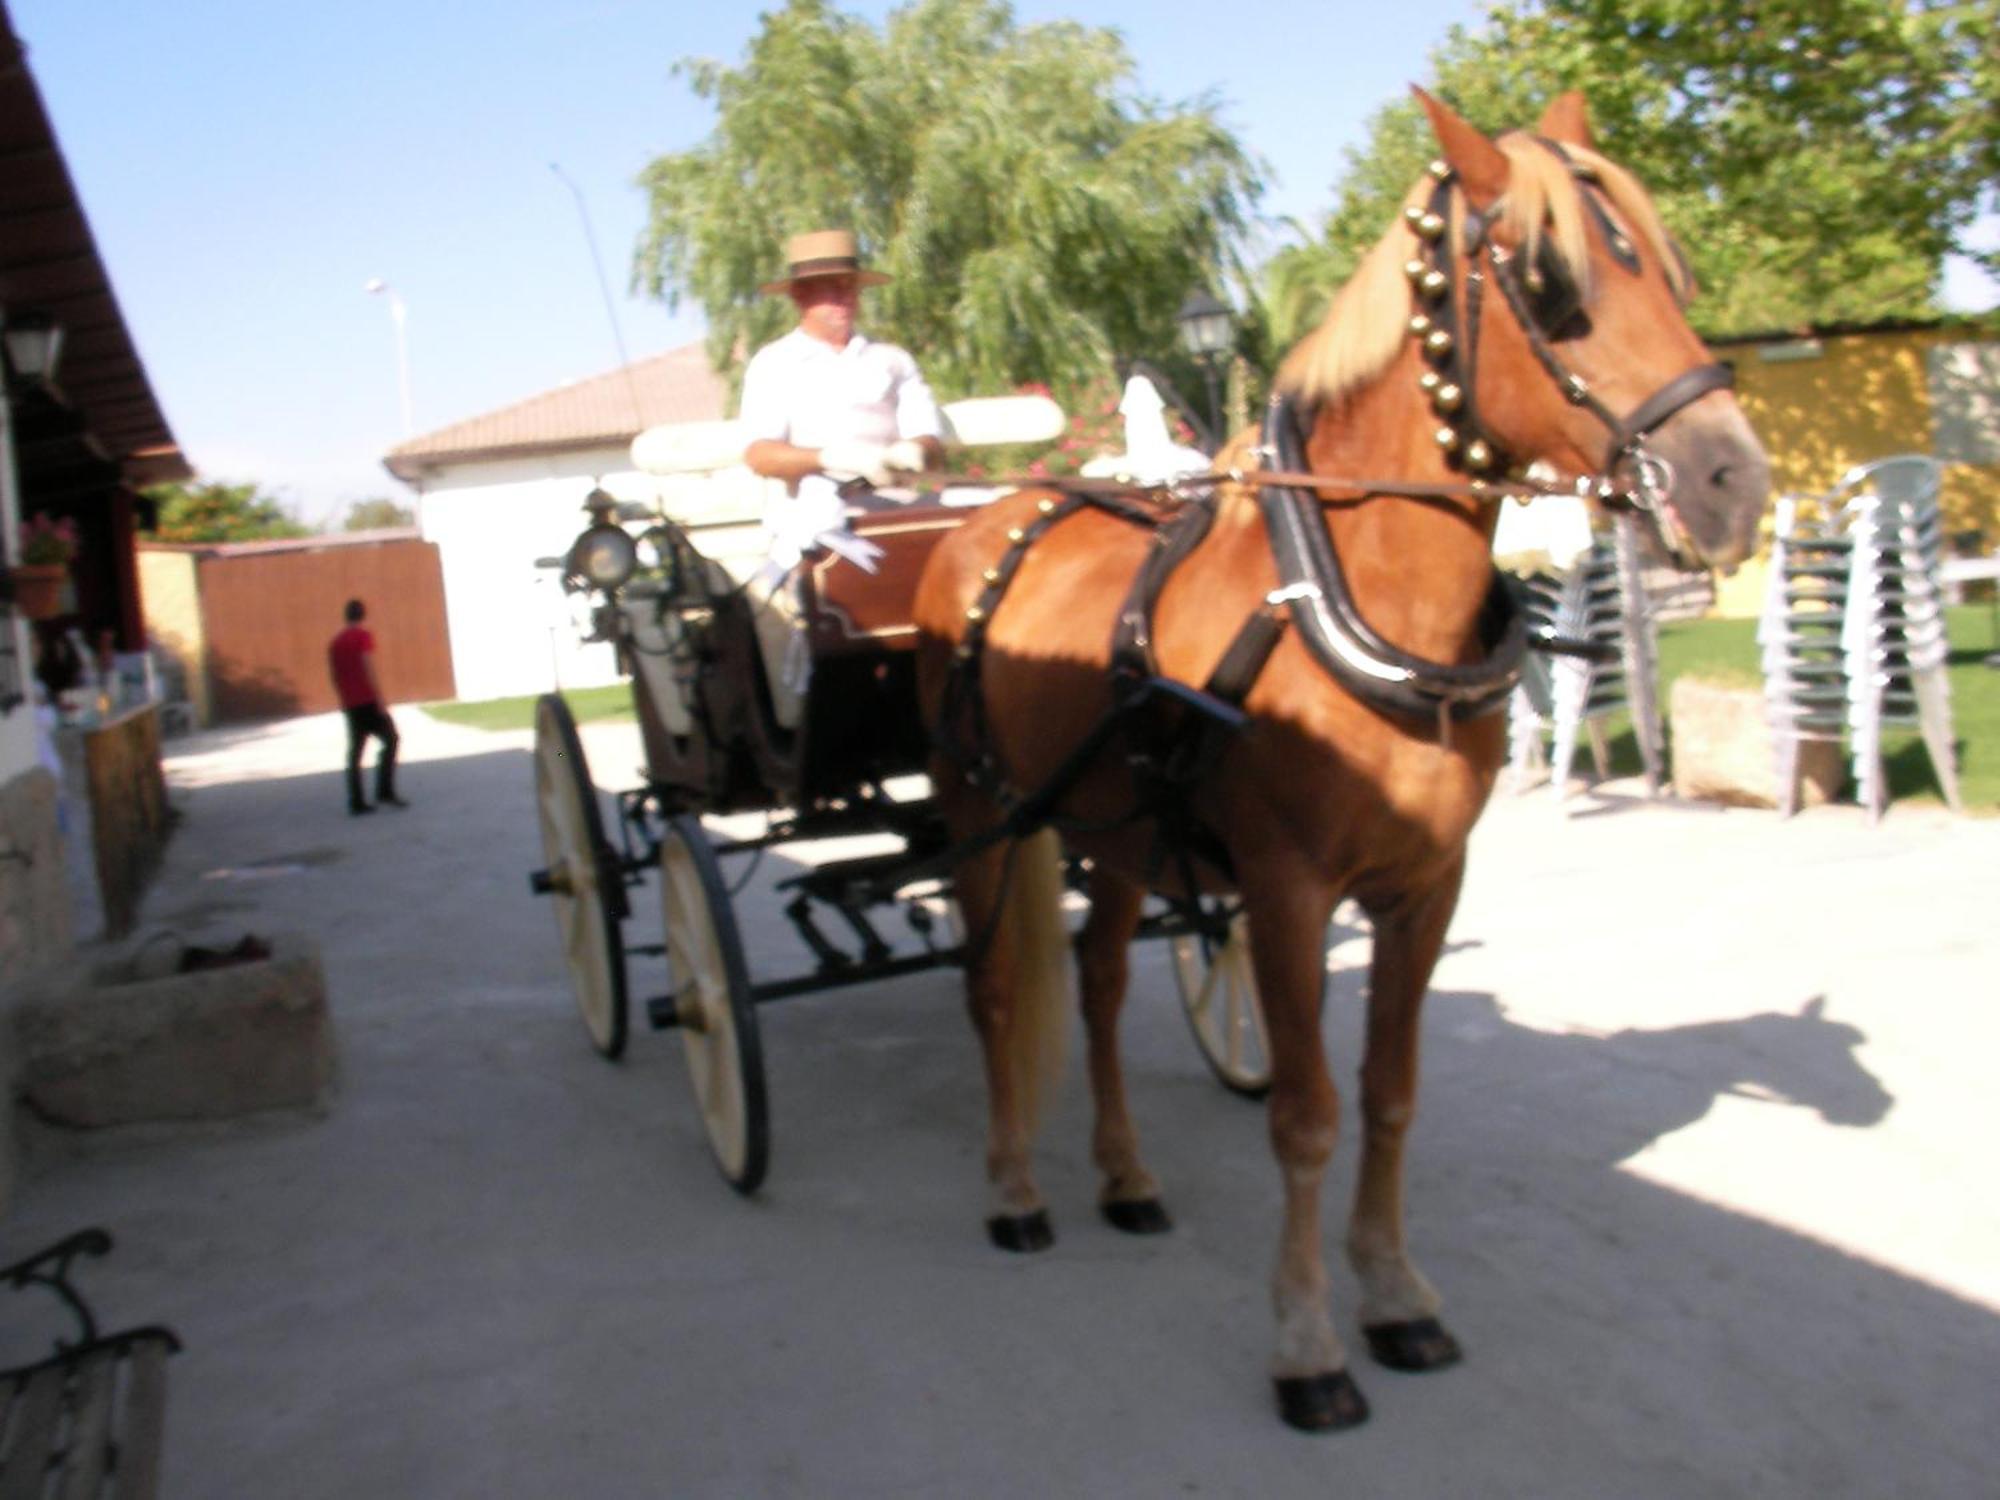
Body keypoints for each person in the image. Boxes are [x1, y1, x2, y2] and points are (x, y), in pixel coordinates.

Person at [734, 228, 947, 724]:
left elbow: (928, 436)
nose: (842, 299)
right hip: (814, 515)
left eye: (848, 287)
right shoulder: (774, 364)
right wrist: (832, 458)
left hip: (897, 506)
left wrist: (911, 451)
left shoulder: (891, 361)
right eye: (829, 289)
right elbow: (761, 454)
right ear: (801, 297)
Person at [328, 598, 405, 815]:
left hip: (350, 703)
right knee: (391, 739)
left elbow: (334, 675)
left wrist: (343, 698)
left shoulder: (336, 642)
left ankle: (356, 801)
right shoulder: (363, 637)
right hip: (368, 699)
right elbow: (367, 667)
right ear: (363, 615)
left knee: (355, 751)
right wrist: (380, 700)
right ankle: (384, 790)